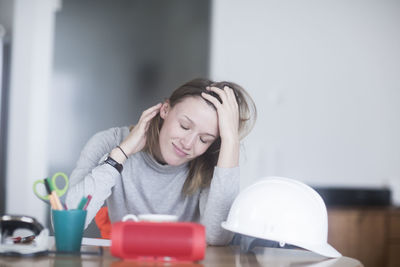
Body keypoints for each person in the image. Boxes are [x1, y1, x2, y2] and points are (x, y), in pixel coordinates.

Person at [65, 78, 257, 245]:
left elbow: (218, 238)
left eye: (204, 139)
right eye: (184, 126)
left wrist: (231, 140)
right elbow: (67, 223)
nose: (188, 144)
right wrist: (121, 153)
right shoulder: (109, 142)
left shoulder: (209, 162)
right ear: (165, 109)